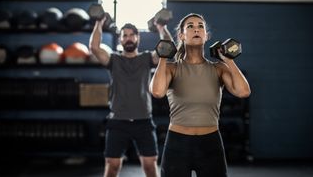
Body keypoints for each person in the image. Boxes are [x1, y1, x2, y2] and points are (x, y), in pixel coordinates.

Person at [150, 13, 251, 177]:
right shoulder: (171, 68)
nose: (196, 29)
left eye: (200, 26)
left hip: (210, 143)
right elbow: (157, 91)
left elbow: (243, 91)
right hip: (177, 143)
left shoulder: (219, 68)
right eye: (190, 26)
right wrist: (163, 57)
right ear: (181, 36)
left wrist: (229, 60)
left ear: (206, 36)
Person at [89, 16, 172, 177]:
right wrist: (99, 22)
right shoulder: (113, 59)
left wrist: (161, 27)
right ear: (120, 39)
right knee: (112, 166)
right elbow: (94, 47)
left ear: (137, 38)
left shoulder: (147, 58)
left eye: (131, 35)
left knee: (150, 165)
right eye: (124, 35)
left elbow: (167, 47)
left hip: (143, 121)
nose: (128, 38)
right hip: (118, 121)